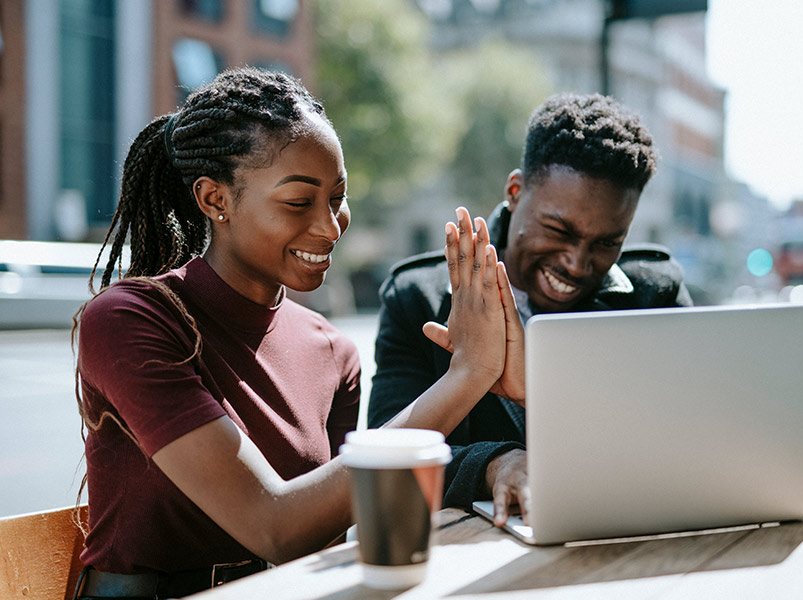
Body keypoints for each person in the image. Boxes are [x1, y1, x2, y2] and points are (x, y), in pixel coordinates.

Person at [72, 67, 518, 598]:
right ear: (216, 200)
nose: (330, 227)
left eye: (337, 197)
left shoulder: (333, 351)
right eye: (299, 202)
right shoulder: (130, 319)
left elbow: (324, 536)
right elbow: (276, 525)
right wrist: (468, 374)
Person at [368, 92, 693, 527]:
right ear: (516, 191)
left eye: (606, 243)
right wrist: (493, 463)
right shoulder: (418, 299)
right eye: (558, 230)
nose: (577, 264)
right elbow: (386, 452)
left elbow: (687, 438)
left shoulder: (656, 294)